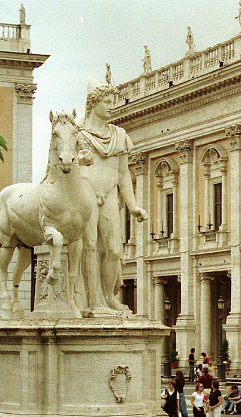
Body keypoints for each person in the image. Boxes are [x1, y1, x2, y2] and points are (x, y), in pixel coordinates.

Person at [77, 80, 148, 312]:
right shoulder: (79, 134)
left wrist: (133, 205)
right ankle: (92, 300)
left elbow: (123, 174)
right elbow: (64, 167)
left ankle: (108, 297)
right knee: (90, 246)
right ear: (93, 103)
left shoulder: (119, 135)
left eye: (113, 102)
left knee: (114, 249)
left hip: (109, 197)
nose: (111, 106)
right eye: (107, 102)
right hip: (85, 196)